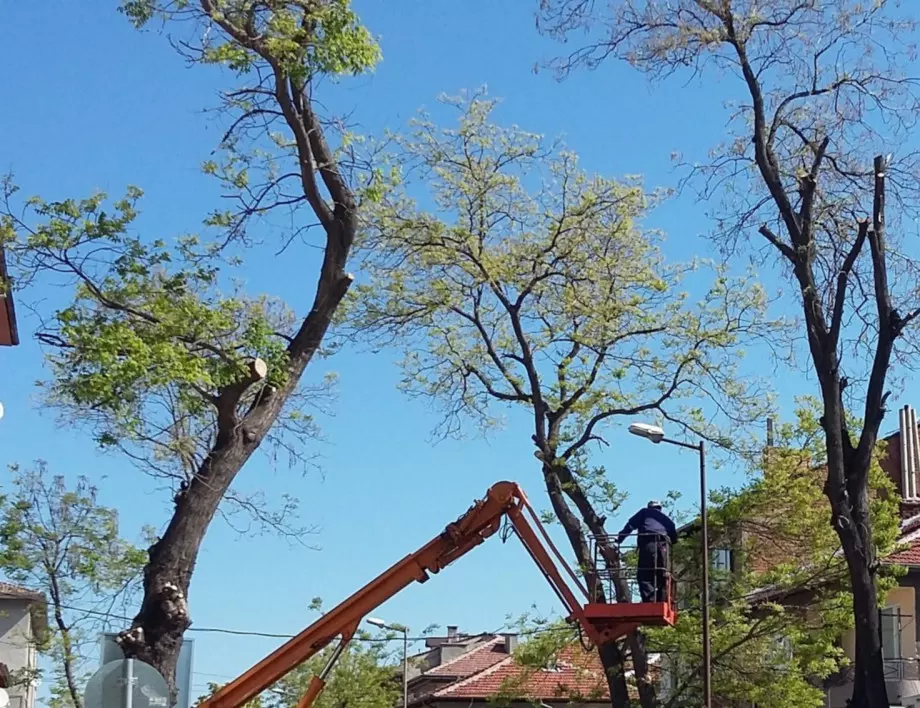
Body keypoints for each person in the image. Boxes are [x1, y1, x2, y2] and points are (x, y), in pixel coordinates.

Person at [615, 500, 678, 603]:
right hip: (663, 547)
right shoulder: (666, 520)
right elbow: (674, 539)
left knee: (644, 574)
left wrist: (619, 539)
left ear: (649, 507)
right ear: (660, 508)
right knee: (662, 574)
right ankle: (662, 600)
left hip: (648, 545)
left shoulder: (644, 512)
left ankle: (650, 601)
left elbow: (630, 526)